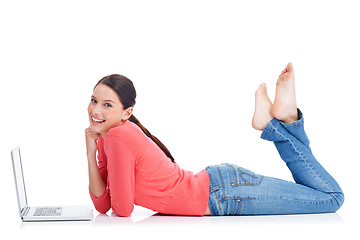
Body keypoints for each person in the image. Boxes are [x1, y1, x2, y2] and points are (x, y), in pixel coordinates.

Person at [85, 63, 344, 217]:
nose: (97, 110)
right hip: (222, 187)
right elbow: (104, 205)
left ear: (126, 113)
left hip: (225, 194)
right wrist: (91, 152)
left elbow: (121, 209)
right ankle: (286, 118)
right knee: (323, 196)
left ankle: (279, 124)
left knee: (332, 198)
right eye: (94, 101)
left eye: (108, 105)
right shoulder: (112, 138)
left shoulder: (119, 136)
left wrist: (97, 154)